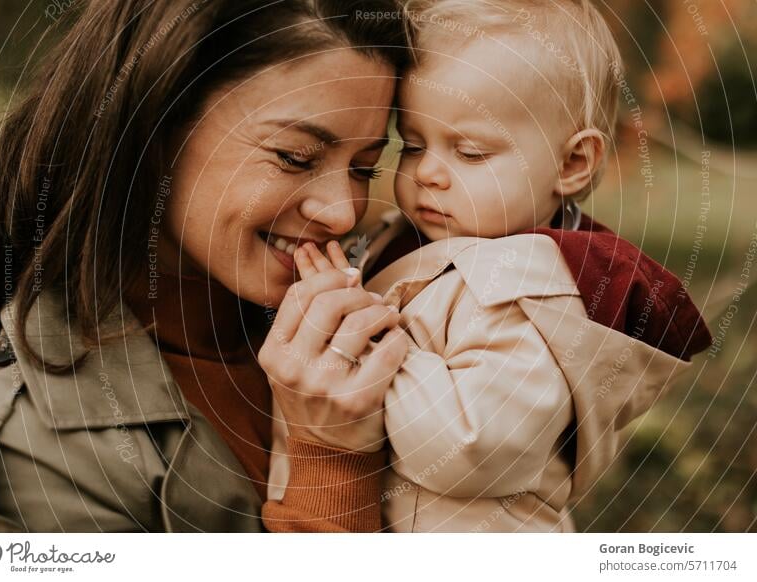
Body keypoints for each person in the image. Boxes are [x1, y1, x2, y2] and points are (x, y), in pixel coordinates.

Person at [0, 0, 412, 532]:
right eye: (296, 157)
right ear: (156, 125)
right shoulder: (26, 455)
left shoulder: (394, 296)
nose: (342, 212)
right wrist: (332, 464)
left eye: (364, 166)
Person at [267, 0, 712, 531]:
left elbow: (473, 448)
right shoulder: (405, 240)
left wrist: (362, 337)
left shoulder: (531, 294)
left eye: (470, 152)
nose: (428, 171)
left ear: (572, 163)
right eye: (412, 144)